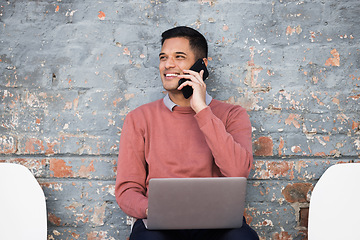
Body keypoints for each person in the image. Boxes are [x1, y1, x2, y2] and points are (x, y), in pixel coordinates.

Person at [115, 26, 259, 240]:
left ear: (202, 65)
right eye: (163, 57)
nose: (168, 64)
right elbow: (127, 189)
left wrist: (201, 110)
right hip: (159, 223)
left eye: (179, 57)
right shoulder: (139, 118)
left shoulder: (232, 115)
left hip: (217, 223)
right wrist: (153, 210)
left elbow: (238, 172)